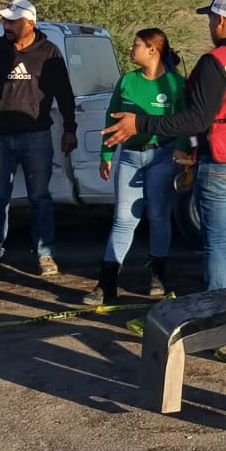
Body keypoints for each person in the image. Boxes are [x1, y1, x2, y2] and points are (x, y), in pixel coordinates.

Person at [104, 0, 226, 291]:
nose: (210, 25)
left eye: (211, 18)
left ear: (221, 20)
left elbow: (196, 120)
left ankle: (219, 311)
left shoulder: (216, 61)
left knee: (218, 243)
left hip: (223, 163)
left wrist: (141, 122)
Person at [0, 0, 77, 280]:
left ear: (30, 22)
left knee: (40, 198)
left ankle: (45, 254)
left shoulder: (49, 53)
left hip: (36, 136)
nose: (6, 26)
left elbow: (65, 94)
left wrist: (70, 128)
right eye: (4, 21)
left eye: (12, 21)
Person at [84, 29, 186, 305]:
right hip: (129, 157)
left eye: (137, 45)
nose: (131, 49)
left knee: (158, 217)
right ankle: (106, 284)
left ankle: (157, 276)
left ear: (152, 50)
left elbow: (187, 123)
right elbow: (112, 116)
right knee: (123, 220)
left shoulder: (176, 84)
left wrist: (182, 149)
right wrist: (106, 154)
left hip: (162, 157)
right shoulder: (127, 81)